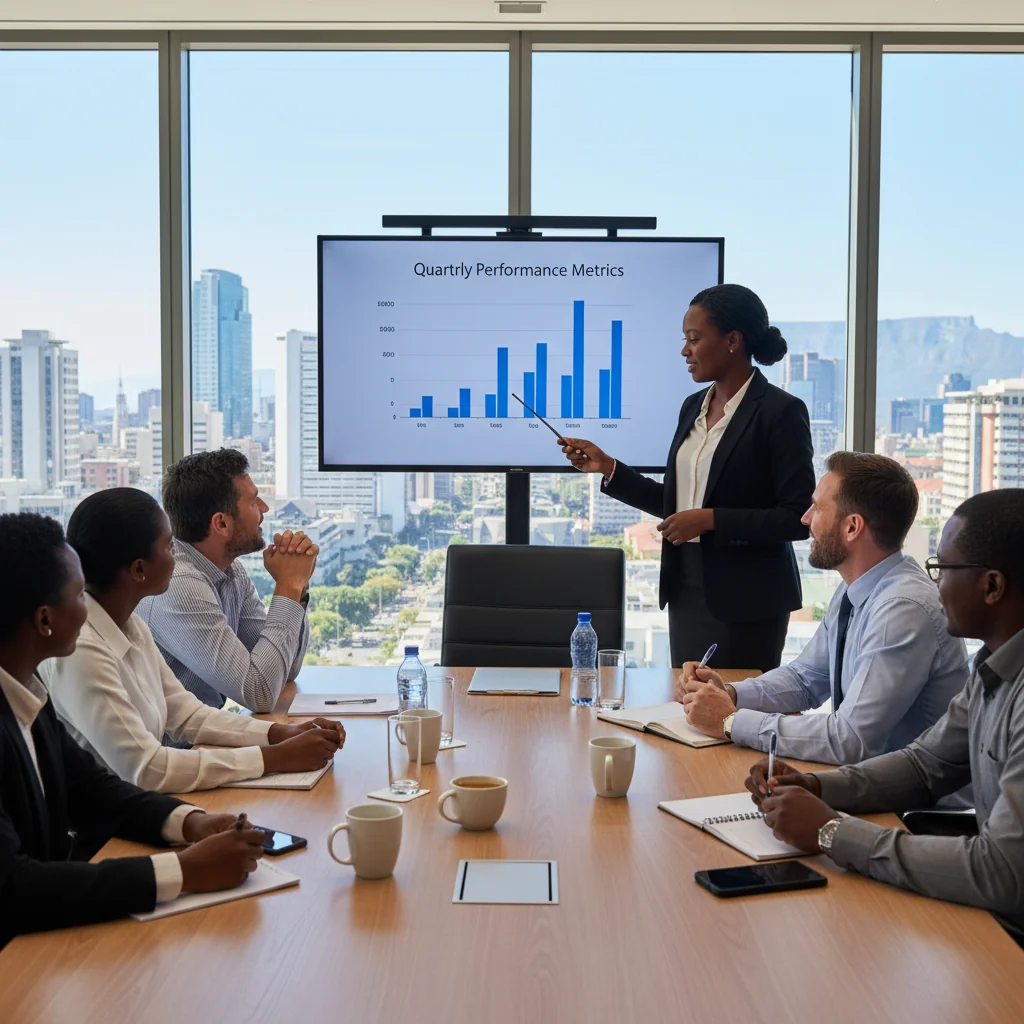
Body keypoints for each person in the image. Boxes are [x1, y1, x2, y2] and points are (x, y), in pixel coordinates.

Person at [745, 489, 1024, 944]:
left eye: (944, 570)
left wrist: (833, 832)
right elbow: (925, 765)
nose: (936, 585)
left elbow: (1004, 873)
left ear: (992, 586)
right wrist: (817, 786)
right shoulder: (992, 666)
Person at [0, 512, 267, 947]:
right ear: (44, 619)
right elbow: (13, 887)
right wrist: (184, 871)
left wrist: (191, 823)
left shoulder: (26, 691)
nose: (87, 608)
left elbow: (91, 790)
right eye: (78, 595)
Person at [560, 283, 814, 671]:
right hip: (685, 589)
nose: (684, 351)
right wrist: (608, 467)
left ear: (732, 341)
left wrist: (710, 520)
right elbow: (677, 504)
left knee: (734, 704)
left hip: (749, 600)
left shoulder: (781, 412)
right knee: (686, 699)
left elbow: (797, 518)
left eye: (694, 339)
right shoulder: (692, 407)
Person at [40, 488, 344, 793]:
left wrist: (282, 733)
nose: (177, 556)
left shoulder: (130, 624)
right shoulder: (83, 651)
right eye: (170, 546)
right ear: (139, 569)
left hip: (143, 803)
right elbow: (147, 770)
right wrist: (275, 758)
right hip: (110, 818)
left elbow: (187, 715)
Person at [678, 452, 968, 765]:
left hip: (910, 796)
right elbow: (805, 680)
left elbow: (851, 739)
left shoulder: (902, 609)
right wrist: (730, 694)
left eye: (816, 508)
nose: (805, 519)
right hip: (870, 781)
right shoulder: (857, 587)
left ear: (852, 527)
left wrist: (730, 722)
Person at [138, 449, 315, 712]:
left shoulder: (231, 571)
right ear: (221, 524)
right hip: (169, 738)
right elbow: (260, 693)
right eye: (253, 502)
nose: (264, 509)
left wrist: (297, 587)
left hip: (204, 732)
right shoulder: (180, 584)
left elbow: (284, 670)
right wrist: (288, 586)